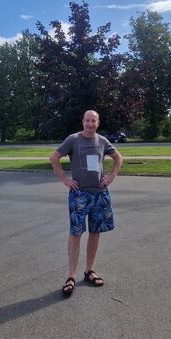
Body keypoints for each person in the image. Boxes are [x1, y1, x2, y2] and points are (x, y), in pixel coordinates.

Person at [50, 110, 123, 297]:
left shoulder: (102, 141)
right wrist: (65, 180)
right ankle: (71, 276)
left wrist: (111, 176)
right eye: (87, 120)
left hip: (99, 193)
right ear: (83, 121)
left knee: (95, 232)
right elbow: (54, 158)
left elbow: (118, 158)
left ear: (98, 123)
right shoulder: (73, 140)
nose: (90, 124)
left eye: (93, 121)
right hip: (79, 195)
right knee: (75, 234)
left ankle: (89, 270)